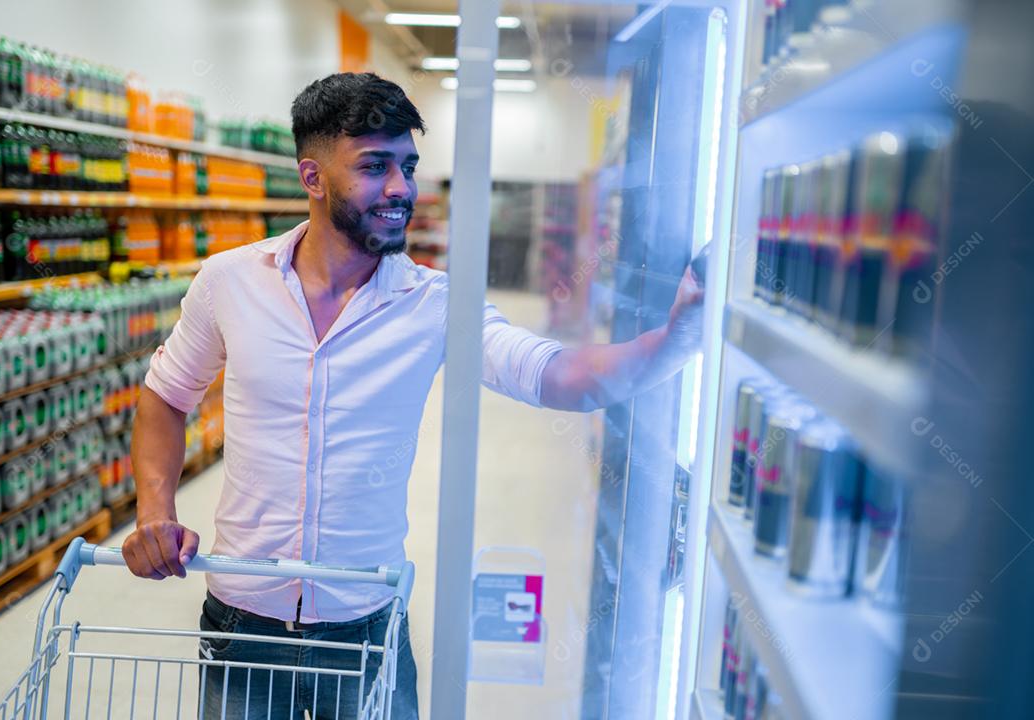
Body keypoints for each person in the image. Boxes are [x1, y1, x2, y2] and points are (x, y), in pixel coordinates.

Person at [121, 72, 703, 719]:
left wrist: (675, 342)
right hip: (241, 626)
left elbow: (558, 375)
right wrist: (154, 511)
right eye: (375, 167)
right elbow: (166, 396)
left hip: (367, 629)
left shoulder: (432, 303)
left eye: (408, 166)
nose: (402, 189)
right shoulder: (228, 282)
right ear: (312, 178)